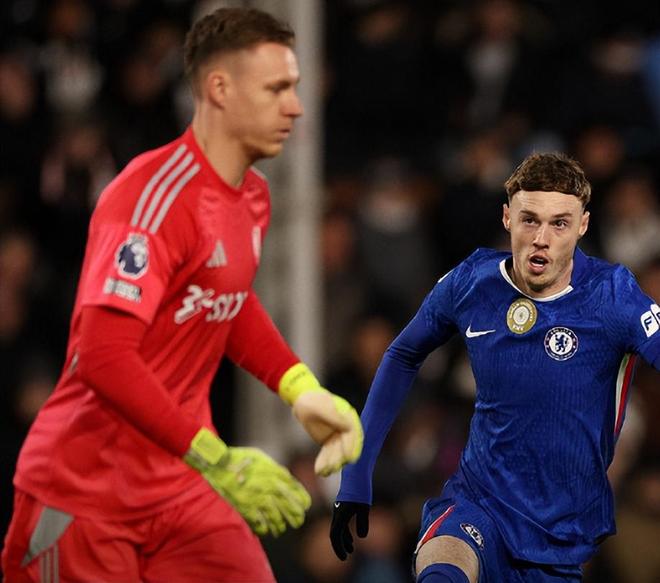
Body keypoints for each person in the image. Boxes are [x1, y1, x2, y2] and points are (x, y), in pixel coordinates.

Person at [2, 8, 363, 582]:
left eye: (293, 87)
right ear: (219, 88)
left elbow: (225, 299)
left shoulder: (252, 196)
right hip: (85, 495)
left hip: (179, 486)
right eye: (277, 89)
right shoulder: (152, 198)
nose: (295, 106)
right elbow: (103, 355)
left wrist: (299, 387)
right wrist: (214, 457)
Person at [330, 152, 660, 582]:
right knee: (442, 567)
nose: (541, 238)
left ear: (582, 225)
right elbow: (403, 355)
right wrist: (356, 473)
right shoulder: (472, 282)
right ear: (507, 218)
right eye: (529, 220)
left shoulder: (613, 296)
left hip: (560, 537)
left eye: (559, 223)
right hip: (478, 505)